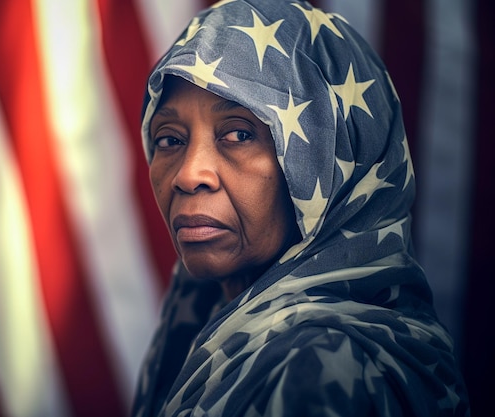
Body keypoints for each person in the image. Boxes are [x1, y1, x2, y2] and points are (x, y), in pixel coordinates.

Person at [131, 1, 470, 416]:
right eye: (169, 139)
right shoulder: (195, 324)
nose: (188, 174)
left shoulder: (323, 364)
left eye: (240, 133)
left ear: (331, 161)